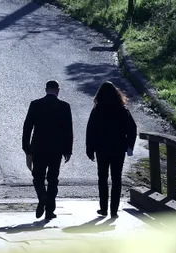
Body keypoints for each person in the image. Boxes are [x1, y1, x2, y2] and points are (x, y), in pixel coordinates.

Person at [21, 80, 73, 220]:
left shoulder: (35, 104)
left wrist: (26, 147)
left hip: (38, 147)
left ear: (45, 90)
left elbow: (28, 127)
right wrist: (68, 150)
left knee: (38, 176)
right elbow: (68, 130)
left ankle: (42, 196)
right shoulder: (64, 106)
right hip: (56, 149)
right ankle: (50, 210)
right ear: (58, 90)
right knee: (53, 179)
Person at [85, 81, 137, 218]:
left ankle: (103, 208)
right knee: (116, 179)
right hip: (118, 149)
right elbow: (132, 128)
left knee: (102, 178)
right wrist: (129, 144)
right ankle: (114, 210)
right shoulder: (122, 110)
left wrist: (89, 149)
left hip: (101, 149)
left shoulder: (97, 111)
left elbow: (90, 131)